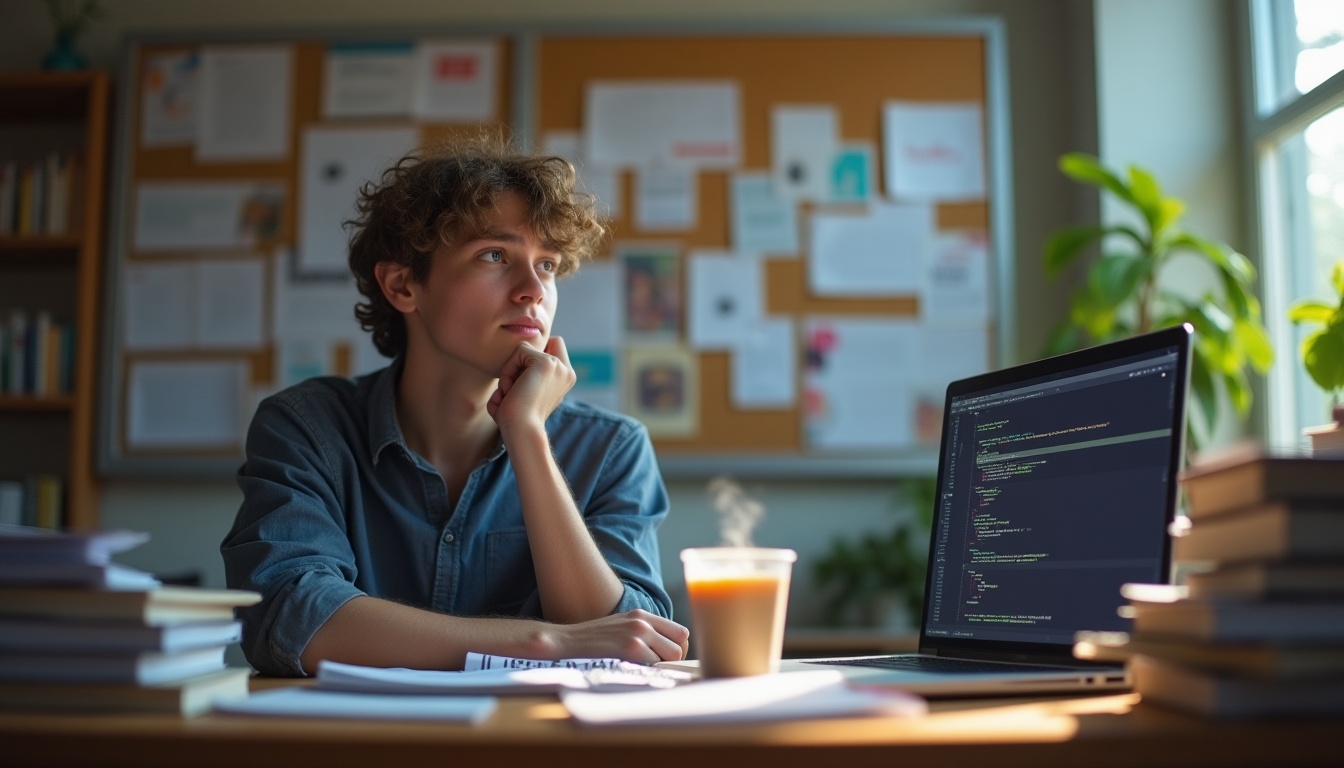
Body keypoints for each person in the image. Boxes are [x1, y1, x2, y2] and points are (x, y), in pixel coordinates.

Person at [221, 137, 689, 677]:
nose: (534, 290)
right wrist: (547, 643)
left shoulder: (610, 448)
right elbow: (293, 618)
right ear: (403, 285)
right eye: (495, 255)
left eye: (549, 265)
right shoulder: (307, 428)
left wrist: (528, 435)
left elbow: (627, 639)